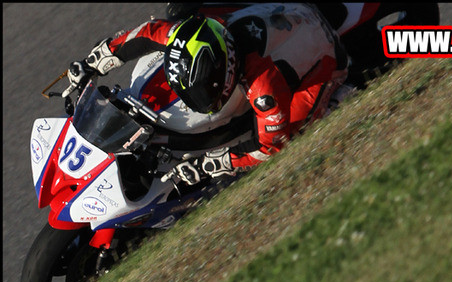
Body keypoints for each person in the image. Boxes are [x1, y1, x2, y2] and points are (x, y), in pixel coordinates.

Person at [66, 4, 350, 185]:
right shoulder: (187, 33)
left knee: (293, 131)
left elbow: (270, 145)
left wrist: (215, 163)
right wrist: (95, 61)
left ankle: (342, 90)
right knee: (179, 8)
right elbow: (147, 32)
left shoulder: (263, 88)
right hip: (267, 16)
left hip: (324, 56)